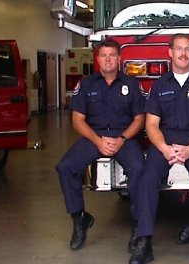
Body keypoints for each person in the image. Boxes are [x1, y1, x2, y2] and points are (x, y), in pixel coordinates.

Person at [129, 33, 189, 264]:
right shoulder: (159, 85)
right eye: (179, 49)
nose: (183, 53)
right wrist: (164, 149)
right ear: (170, 52)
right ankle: (144, 241)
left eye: (187, 49)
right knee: (147, 179)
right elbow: (151, 125)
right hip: (165, 142)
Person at [55, 39, 145, 252]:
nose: (108, 60)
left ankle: (138, 226)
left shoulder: (131, 84)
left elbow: (139, 119)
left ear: (119, 58)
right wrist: (98, 141)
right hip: (94, 137)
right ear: (98, 59)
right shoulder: (86, 84)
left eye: (112, 55)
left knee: (139, 168)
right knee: (65, 167)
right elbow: (77, 120)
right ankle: (79, 218)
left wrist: (121, 140)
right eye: (103, 55)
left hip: (123, 138)